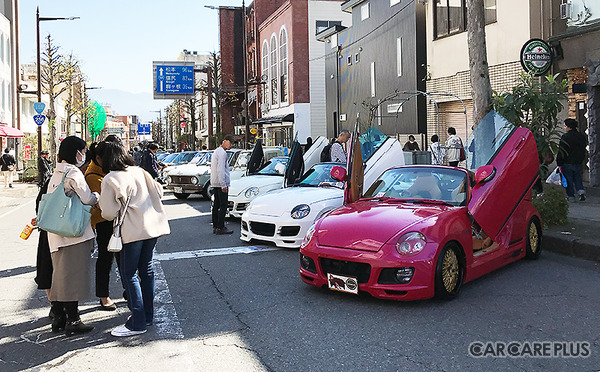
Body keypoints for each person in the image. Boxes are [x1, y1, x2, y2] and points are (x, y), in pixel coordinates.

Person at [99, 141, 170, 337]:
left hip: (132, 231)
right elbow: (160, 191)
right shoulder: (139, 171)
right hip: (152, 228)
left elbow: (108, 212)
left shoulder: (111, 178)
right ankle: (148, 315)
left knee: (129, 273)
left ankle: (137, 322)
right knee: (146, 271)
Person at [46, 136, 99, 336]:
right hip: (73, 233)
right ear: (76, 152)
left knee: (59, 275)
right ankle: (73, 320)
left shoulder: (57, 171)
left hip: (56, 232)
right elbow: (87, 198)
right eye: (83, 151)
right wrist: (98, 197)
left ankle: (58, 316)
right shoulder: (73, 172)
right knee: (72, 277)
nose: (84, 155)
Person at [85, 142, 119, 311]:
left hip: (117, 220)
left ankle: (129, 290)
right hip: (104, 222)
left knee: (123, 258)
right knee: (106, 258)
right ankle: (103, 296)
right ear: (98, 158)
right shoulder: (92, 176)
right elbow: (104, 203)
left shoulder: (107, 171)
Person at [557, 118, 587, 202]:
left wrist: (559, 161)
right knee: (577, 177)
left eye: (565, 126)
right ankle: (581, 191)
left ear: (568, 127)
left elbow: (561, 150)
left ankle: (571, 196)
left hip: (567, 162)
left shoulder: (565, 137)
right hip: (578, 161)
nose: (564, 127)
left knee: (568, 179)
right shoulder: (581, 136)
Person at [211, 135, 234, 235]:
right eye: (230, 143)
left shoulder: (216, 151)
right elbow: (221, 169)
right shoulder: (222, 153)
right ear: (225, 141)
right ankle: (220, 226)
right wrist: (223, 184)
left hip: (215, 182)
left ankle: (216, 226)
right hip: (221, 183)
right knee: (223, 205)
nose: (231, 145)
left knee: (216, 204)